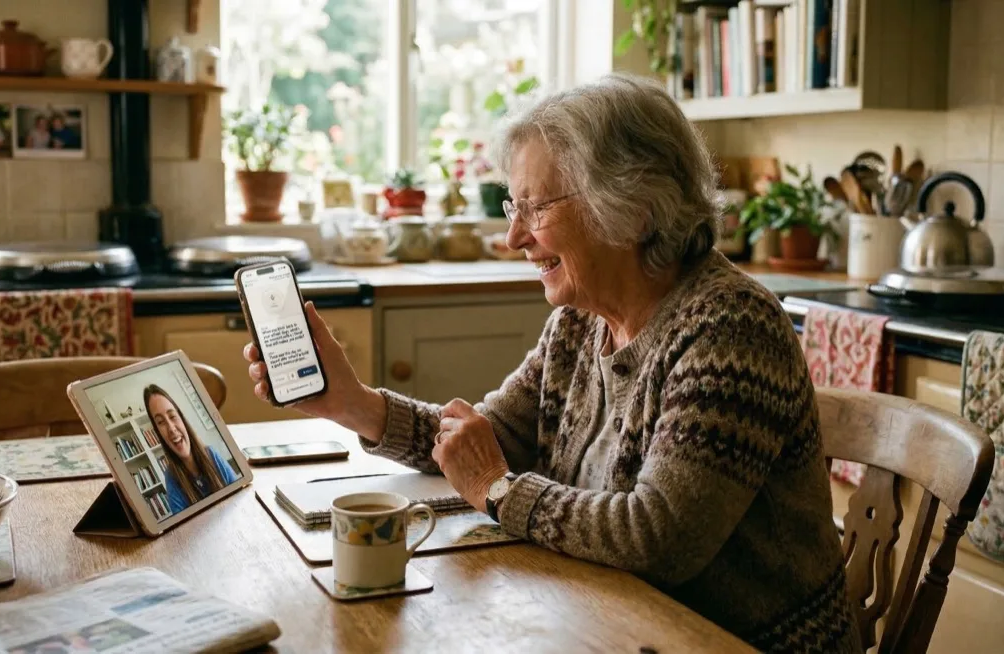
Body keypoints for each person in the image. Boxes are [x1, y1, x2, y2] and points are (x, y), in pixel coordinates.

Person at [242, 73, 860, 652]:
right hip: (610, 616)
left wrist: (498, 490)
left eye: (537, 209)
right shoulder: (581, 322)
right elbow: (486, 443)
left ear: (636, 208)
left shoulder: (729, 330)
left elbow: (657, 538)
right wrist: (352, 403)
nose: (515, 238)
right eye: (514, 209)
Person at [143, 384, 238, 514]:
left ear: (182, 418)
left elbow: (239, 497)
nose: (171, 428)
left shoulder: (211, 454)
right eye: (160, 422)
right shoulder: (171, 478)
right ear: (158, 433)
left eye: (172, 416)